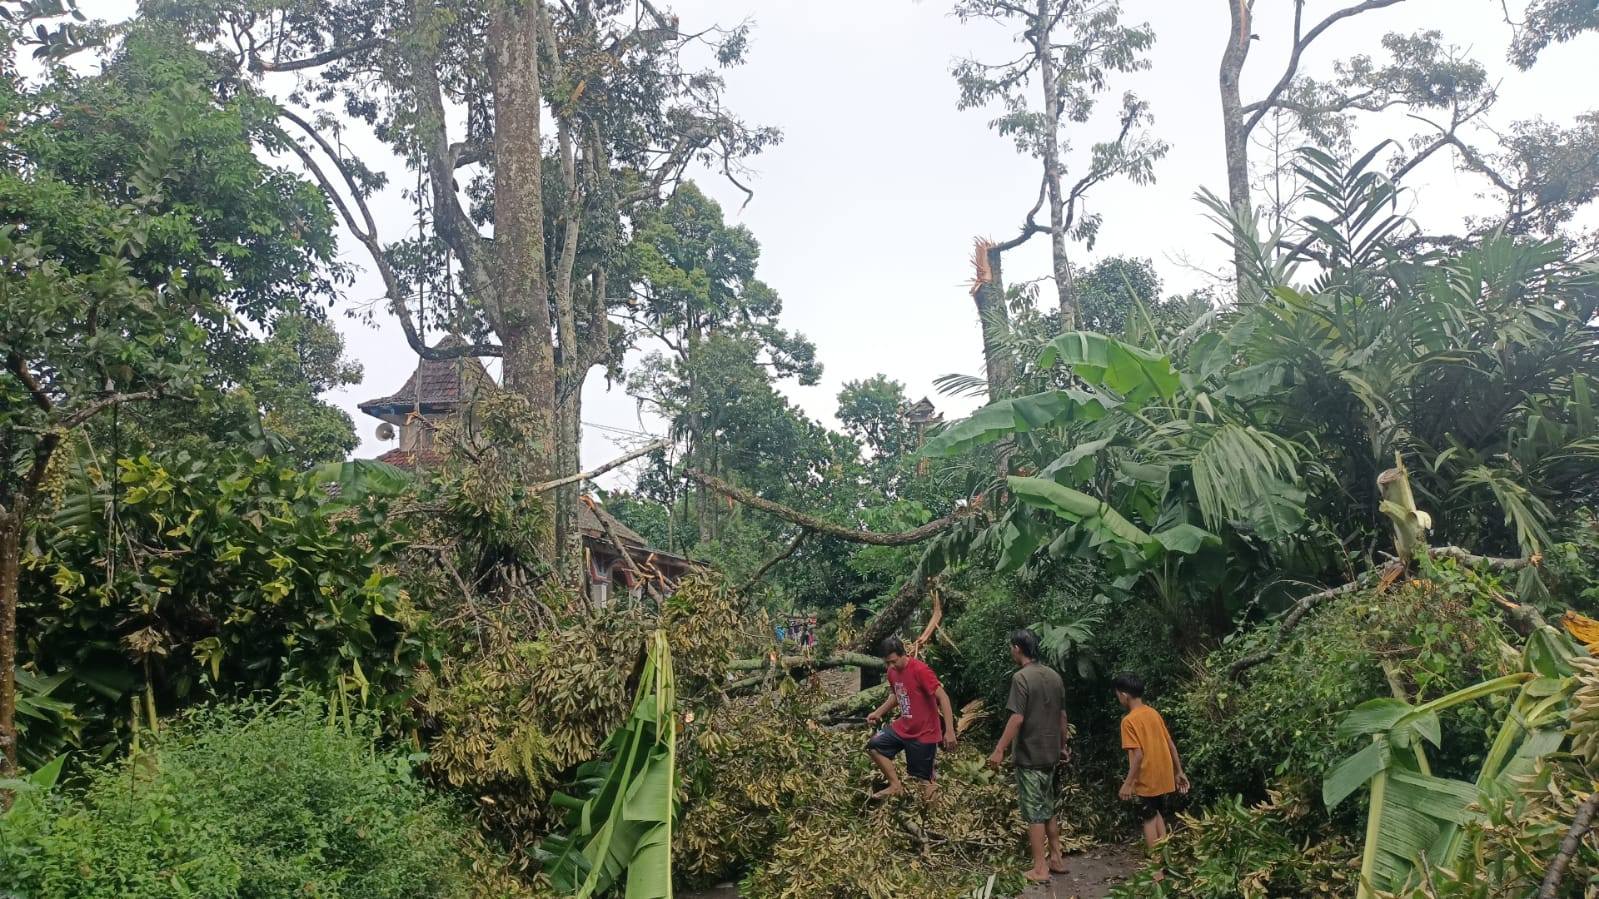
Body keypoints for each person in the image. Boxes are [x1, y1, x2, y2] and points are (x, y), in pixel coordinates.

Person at [987, 629, 1070, 884]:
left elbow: (1017, 717)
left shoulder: (1021, 678)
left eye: (1011, 648)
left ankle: (1040, 868)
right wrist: (1063, 745)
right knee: (1048, 807)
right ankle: (1056, 858)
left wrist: (1000, 748)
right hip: (1051, 753)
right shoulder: (1054, 676)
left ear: (1017, 648)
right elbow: (1062, 716)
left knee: (1034, 812)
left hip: (1030, 755)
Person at [866, 636, 957, 801]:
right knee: (875, 746)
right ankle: (895, 786)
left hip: (924, 732)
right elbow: (896, 695)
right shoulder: (892, 672)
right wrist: (878, 712)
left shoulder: (920, 670)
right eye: (887, 663)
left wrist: (949, 731)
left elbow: (943, 697)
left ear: (903, 654)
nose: (891, 666)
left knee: (924, 779)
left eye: (893, 661)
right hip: (904, 726)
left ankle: (933, 816)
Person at [1113, 673, 1190, 851]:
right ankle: (1165, 860)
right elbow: (1170, 744)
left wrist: (1128, 783)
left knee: (1147, 819)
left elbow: (1138, 756)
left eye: (1117, 695)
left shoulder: (1129, 721)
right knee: (1156, 814)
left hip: (1146, 777)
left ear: (1124, 695)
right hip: (1162, 774)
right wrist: (1179, 771)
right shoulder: (1153, 713)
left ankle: (1155, 869)